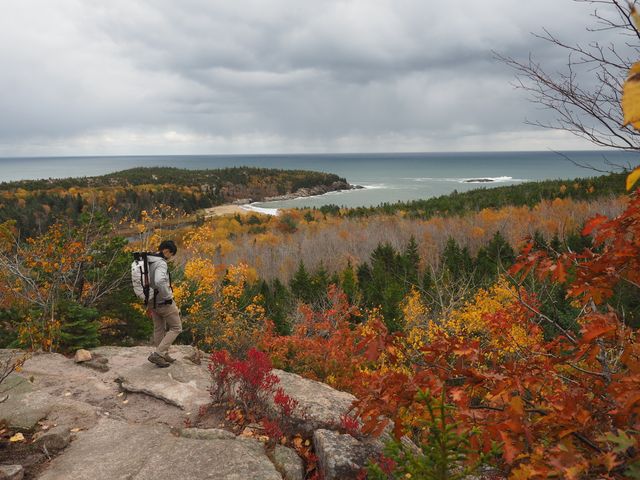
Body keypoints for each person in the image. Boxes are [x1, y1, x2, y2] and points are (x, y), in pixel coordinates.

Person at [147, 240, 182, 368]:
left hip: (151, 300)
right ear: (167, 250)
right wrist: (169, 297)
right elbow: (159, 281)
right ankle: (159, 353)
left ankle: (162, 354)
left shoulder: (149, 259)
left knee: (159, 328)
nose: (170, 257)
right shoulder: (160, 263)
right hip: (163, 301)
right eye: (171, 254)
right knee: (176, 327)